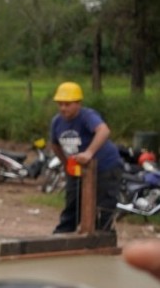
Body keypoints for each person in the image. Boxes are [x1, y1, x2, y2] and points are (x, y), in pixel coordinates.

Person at [49, 81, 121, 233]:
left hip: (104, 166)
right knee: (72, 203)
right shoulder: (57, 121)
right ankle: (63, 235)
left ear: (78, 104)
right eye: (60, 104)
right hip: (77, 167)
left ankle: (103, 237)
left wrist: (89, 152)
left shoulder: (87, 116)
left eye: (67, 104)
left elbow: (103, 131)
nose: (63, 108)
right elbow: (55, 144)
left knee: (103, 207)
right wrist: (66, 163)